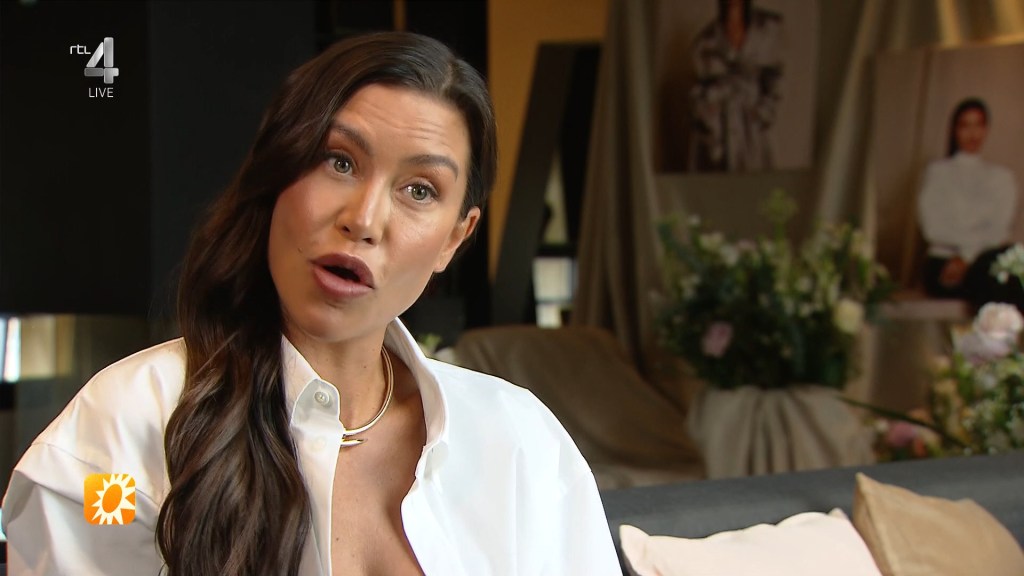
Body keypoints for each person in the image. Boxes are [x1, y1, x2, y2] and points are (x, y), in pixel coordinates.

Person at [1, 32, 619, 575]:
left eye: (419, 190)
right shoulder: (119, 437)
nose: (365, 219)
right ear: (277, 175)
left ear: (454, 239)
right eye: (339, 161)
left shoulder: (520, 443)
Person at [917, 97, 1023, 310]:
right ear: (954, 130)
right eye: (965, 125)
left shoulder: (1001, 177)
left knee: (1011, 268)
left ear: (986, 129)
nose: (972, 134)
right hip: (945, 261)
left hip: (984, 260)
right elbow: (933, 228)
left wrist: (967, 256)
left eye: (978, 125)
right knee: (995, 280)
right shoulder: (938, 172)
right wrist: (967, 253)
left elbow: (999, 229)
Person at [688, 0, 784, 172]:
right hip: (719, 132)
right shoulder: (705, 41)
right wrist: (707, 114)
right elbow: (698, 90)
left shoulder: (767, 28)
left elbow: (775, 77)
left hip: (753, 131)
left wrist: (763, 111)